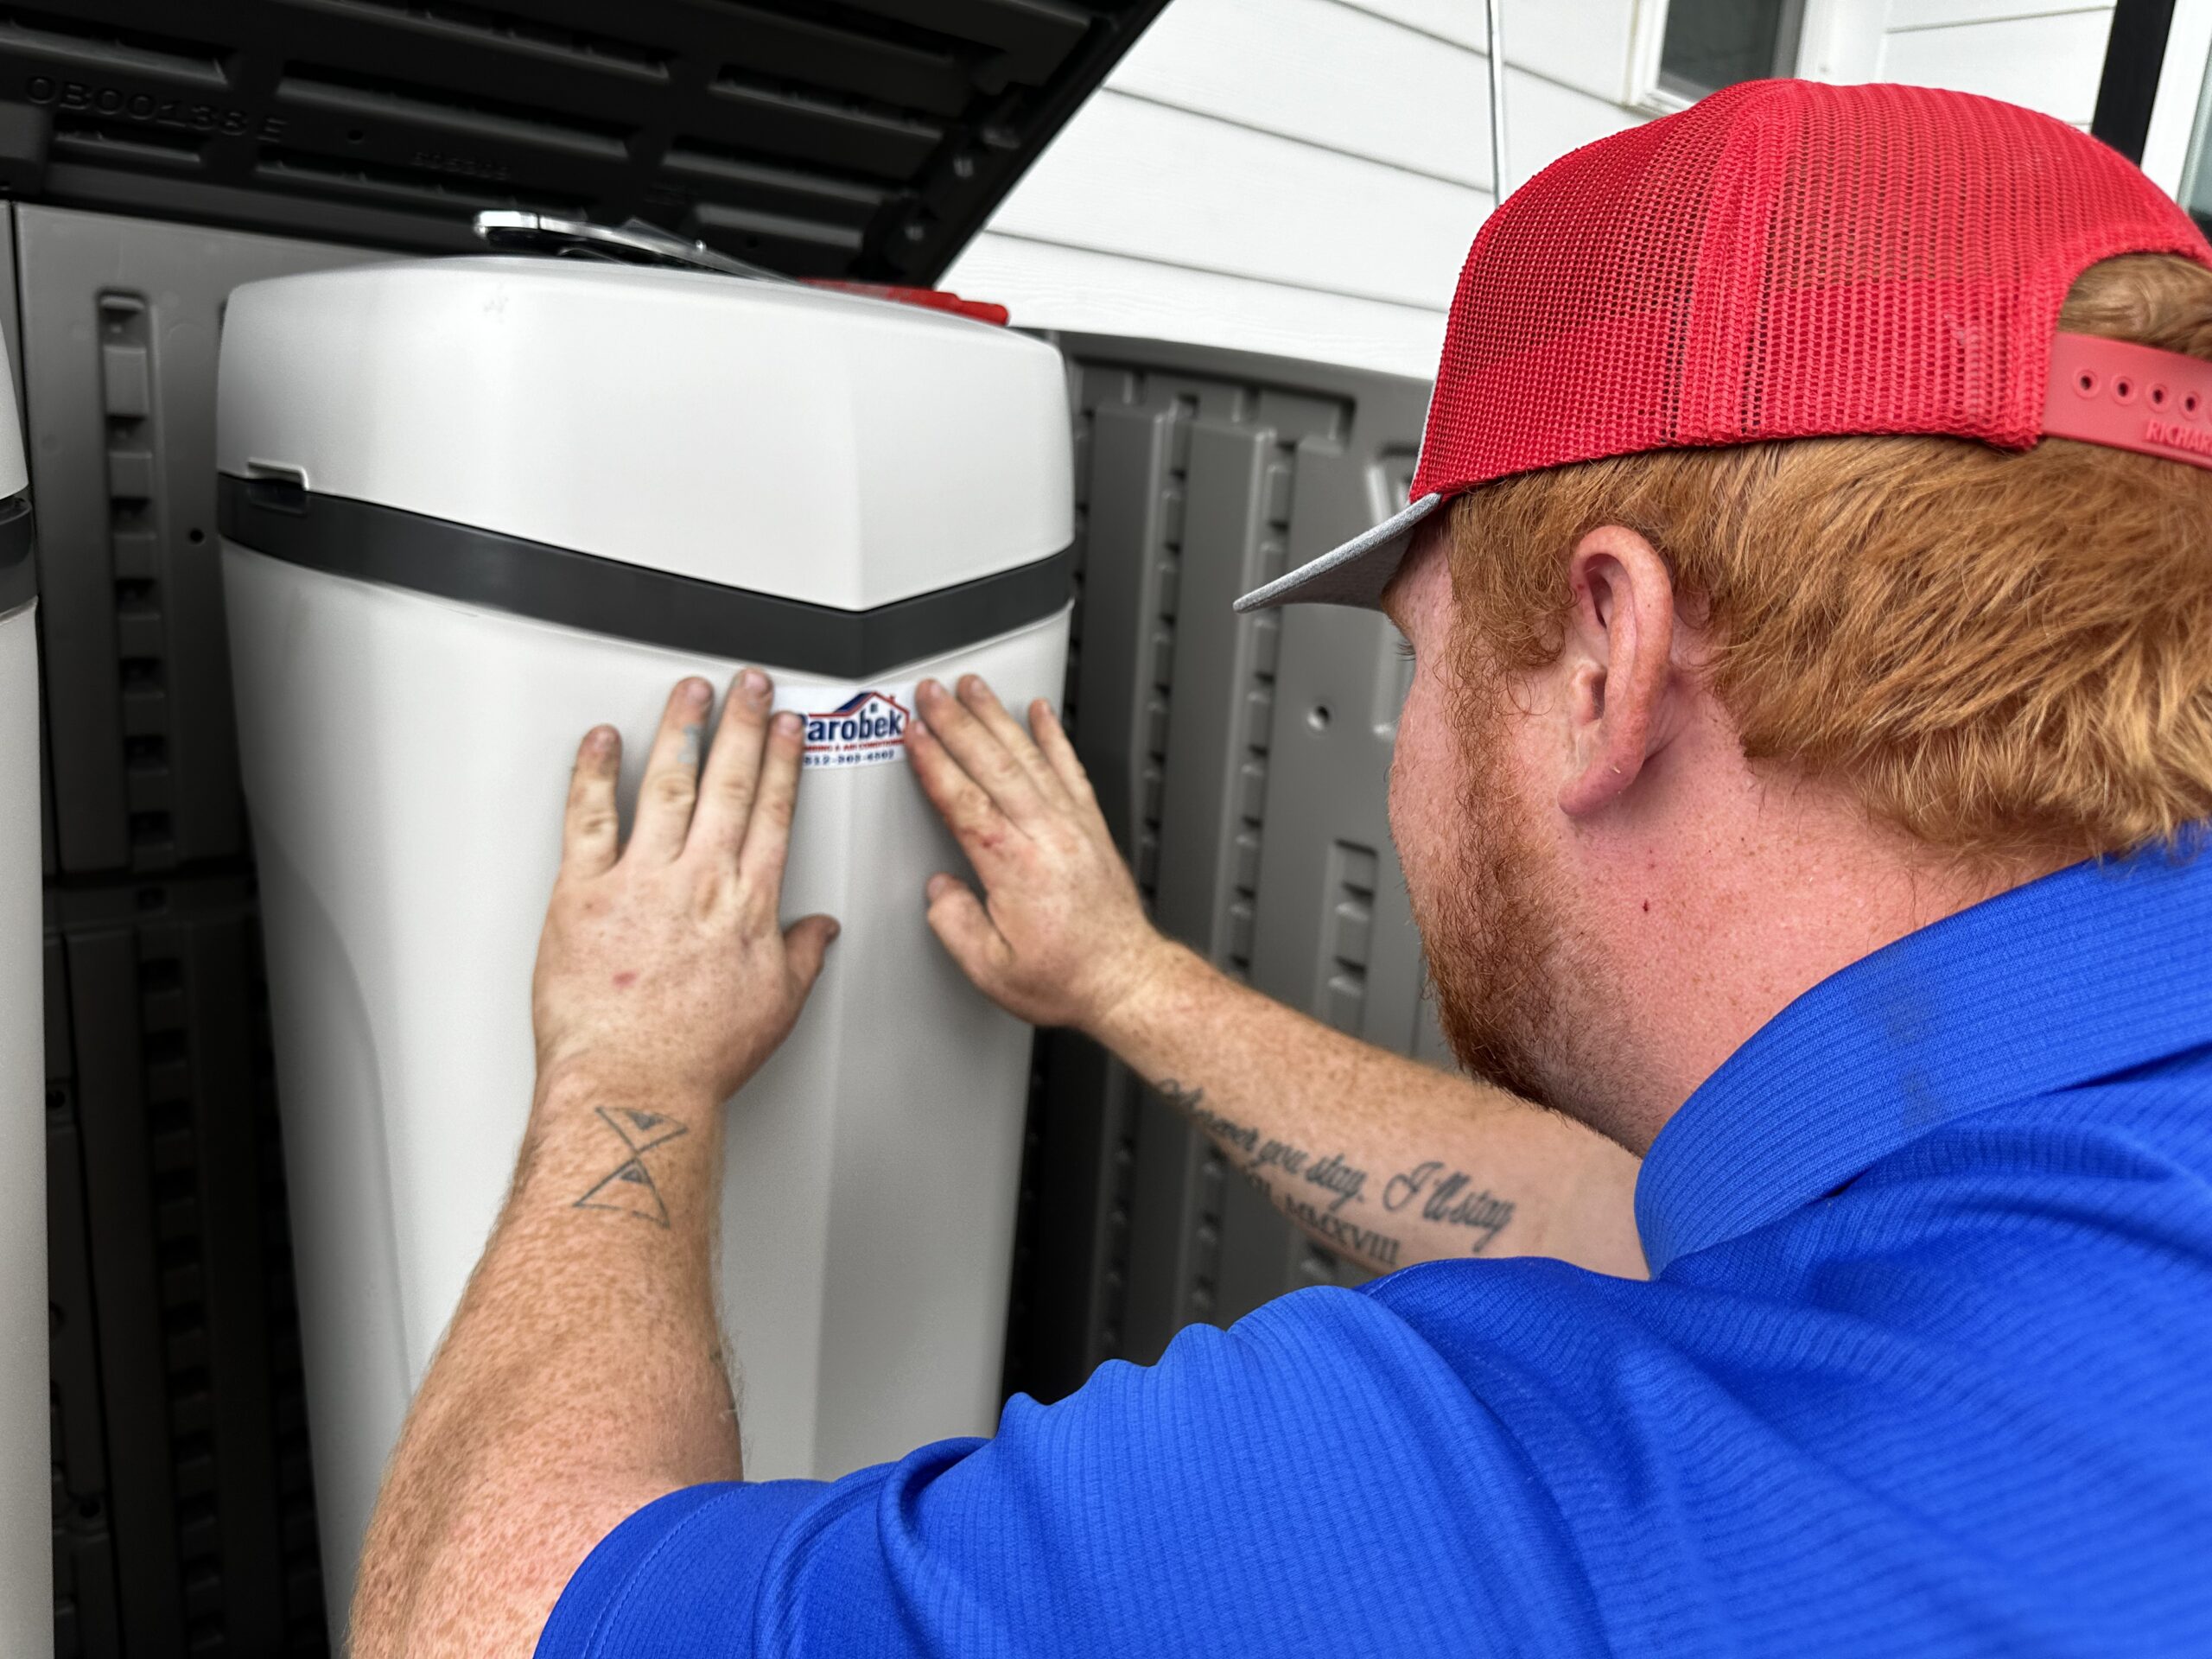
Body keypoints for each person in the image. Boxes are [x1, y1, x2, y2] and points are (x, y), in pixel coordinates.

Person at [350, 80, 2212, 1657]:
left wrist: (627, 1069)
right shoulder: (2050, 1188)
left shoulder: (1460, 1523)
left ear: (1604, 660)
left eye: (1417, 659)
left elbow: (473, 1621)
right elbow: (1652, 1227)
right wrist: (1122, 981)